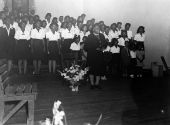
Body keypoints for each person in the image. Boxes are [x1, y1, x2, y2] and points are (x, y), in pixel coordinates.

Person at [84, 23, 106, 89]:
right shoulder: (90, 36)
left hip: (100, 55)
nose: (98, 29)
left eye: (98, 28)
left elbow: (105, 44)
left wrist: (103, 47)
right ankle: (92, 84)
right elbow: (86, 47)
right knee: (92, 70)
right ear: (93, 29)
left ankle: (97, 84)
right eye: (96, 28)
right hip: (92, 56)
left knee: (98, 70)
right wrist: (95, 48)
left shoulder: (102, 35)